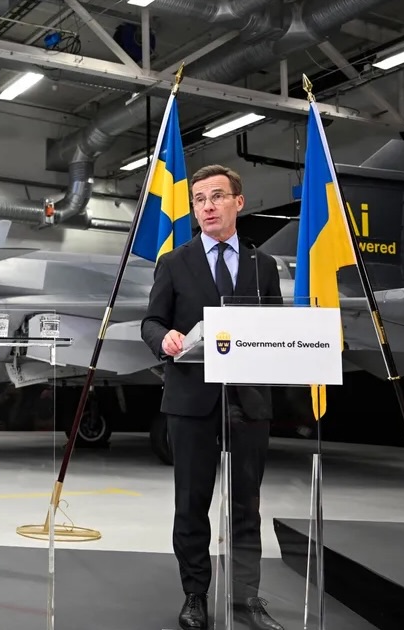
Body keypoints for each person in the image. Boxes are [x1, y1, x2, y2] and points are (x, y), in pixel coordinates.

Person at [140, 165, 284, 630]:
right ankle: (195, 595)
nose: (207, 206)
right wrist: (163, 340)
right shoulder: (174, 263)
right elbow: (152, 321)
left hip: (248, 402)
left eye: (217, 196)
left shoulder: (264, 266)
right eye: (199, 199)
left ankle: (246, 599)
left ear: (238, 203)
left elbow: (274, 328)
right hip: (191, 400)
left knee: (248, 505)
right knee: (191, 503)